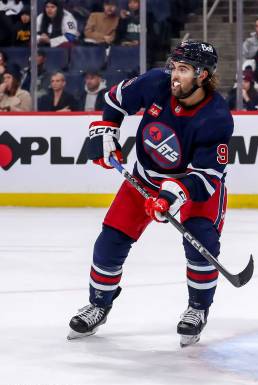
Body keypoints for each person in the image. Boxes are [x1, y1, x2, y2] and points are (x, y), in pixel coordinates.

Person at [66, 40, 234, 348]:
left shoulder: (217, 116)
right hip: (143, 179)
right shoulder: (156, 82)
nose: (174, 75)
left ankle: (198, 308)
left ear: (203, 76)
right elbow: (114, 100)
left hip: (194, 187)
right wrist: (107, 129)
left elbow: (208, 177)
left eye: (183, 70)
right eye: (174, 67)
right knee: (110, 240)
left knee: (200, 242)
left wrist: (171, 196)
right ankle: (99, 304)